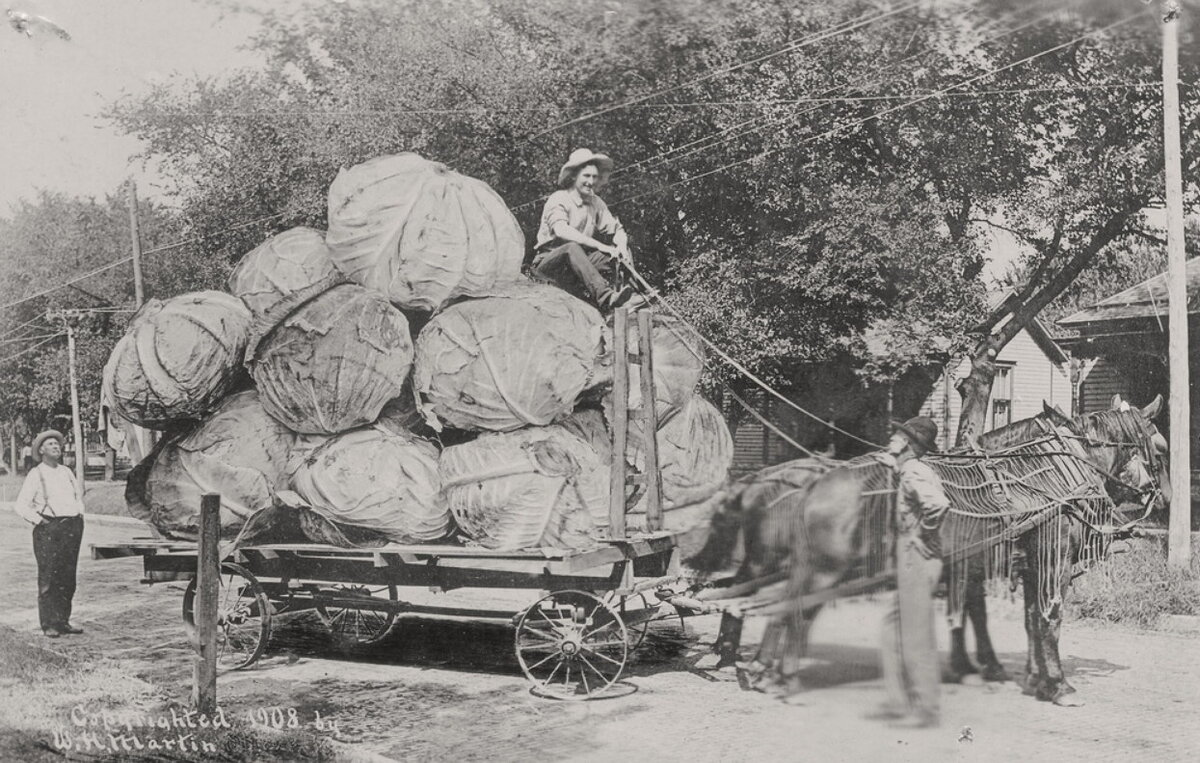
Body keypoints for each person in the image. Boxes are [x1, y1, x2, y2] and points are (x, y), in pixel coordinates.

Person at [869, 416, 950, 728]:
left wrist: (921, 534)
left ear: (909, 444)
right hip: (912, 556)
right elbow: (891, 462)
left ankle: (925, 709)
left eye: (898, 435)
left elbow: (938, 505)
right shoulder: (909, 468)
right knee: (892, 631)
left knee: (914, 636)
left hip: (917, 556)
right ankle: (899, 702)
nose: (892, 437)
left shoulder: (914, 471)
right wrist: (891, 459)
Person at [532, 148, 647, 311]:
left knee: (619, 252)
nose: (591, 181)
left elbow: (617, 229)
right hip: (549, 264)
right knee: (572, 248)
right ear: (573, 176)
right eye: (586, 176)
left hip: (579, 263)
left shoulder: (595, 202)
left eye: (594, 177)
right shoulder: (559, 198)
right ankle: (607, 298)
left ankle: (633, 295)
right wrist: (599, 245)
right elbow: (561, 230)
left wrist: (620, 246)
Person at [13, 430, 86, 638]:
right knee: (48, 578)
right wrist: (40, 521)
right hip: (49, 529)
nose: (56, 447)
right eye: (51, 444)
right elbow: (21, 505)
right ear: (41, 450)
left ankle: (63, 621)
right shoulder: (37, 474)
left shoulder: (66, 471)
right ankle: (49, 624)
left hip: (71, 527)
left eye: (57, 444)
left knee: (68, 577)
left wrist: (79, 512)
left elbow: (76, 495)